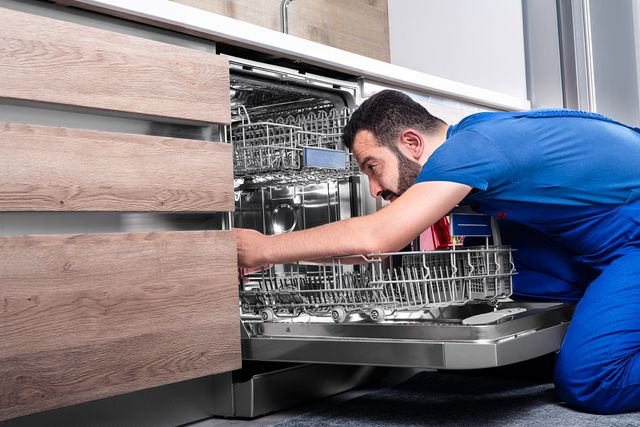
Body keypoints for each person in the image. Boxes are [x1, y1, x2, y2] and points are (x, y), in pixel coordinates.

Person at [235, 89, 640, 415]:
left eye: (372, 167)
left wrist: (263, 249)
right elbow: (370, 250)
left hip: (631, 241)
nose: (373, 189)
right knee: (511, 274)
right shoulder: (475, 137)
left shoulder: (471, 150)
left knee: (590, 381)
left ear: (411, 142)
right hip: (603, 239)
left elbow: (378, 238)